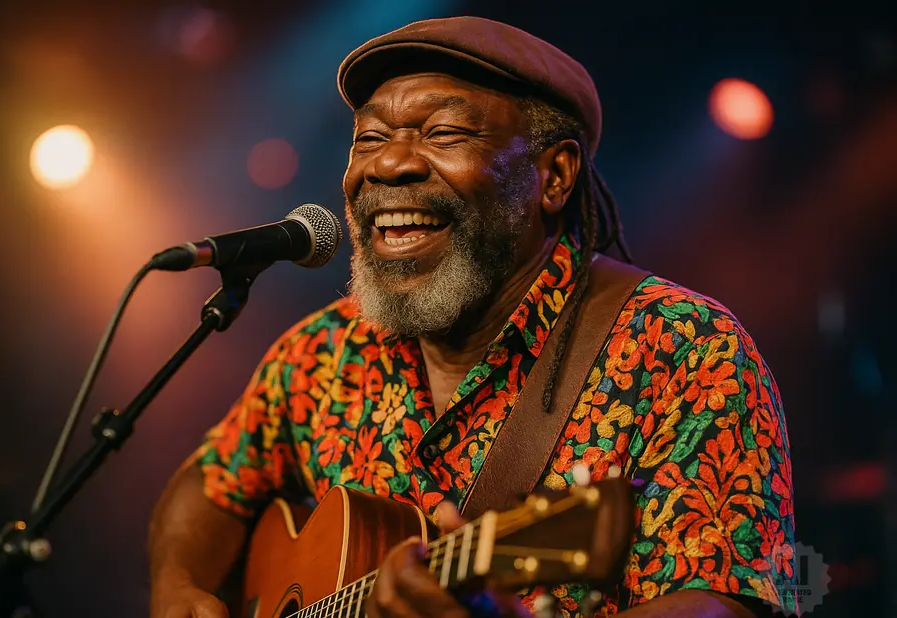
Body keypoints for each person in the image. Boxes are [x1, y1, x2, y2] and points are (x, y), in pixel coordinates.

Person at [148, 15, 796, 618]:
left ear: (556, 175)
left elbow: (718, 604)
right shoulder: (320, 355)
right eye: (368, 138)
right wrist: (178, 587)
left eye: (444, 133)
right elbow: (209, 484)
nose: (388, 164)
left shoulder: (682, 350)